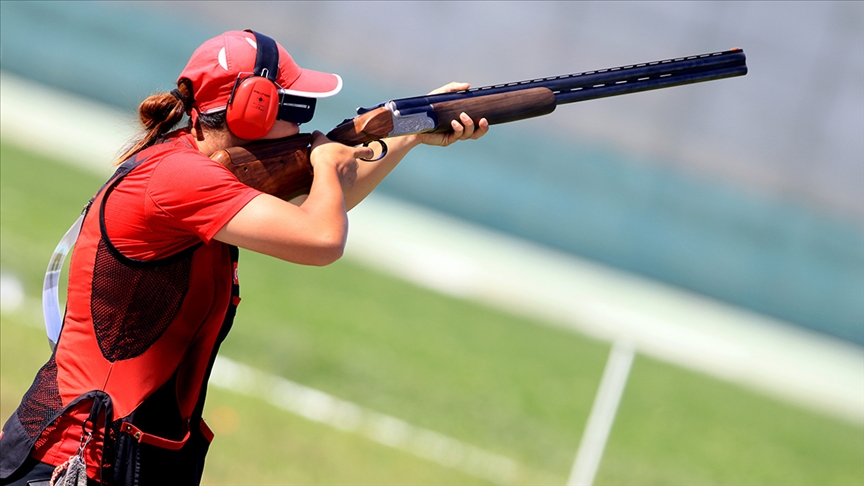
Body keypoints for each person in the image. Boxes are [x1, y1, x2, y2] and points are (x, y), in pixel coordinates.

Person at [0, 29, 488, 486]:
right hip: (75, 461)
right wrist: (325, 160)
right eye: (295, 107)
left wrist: (412, 130)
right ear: (253, 110)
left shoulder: (189, 163)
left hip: (129, 458)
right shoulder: (180, 178)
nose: (303, 125)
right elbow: (321, 238)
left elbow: (327, 202)